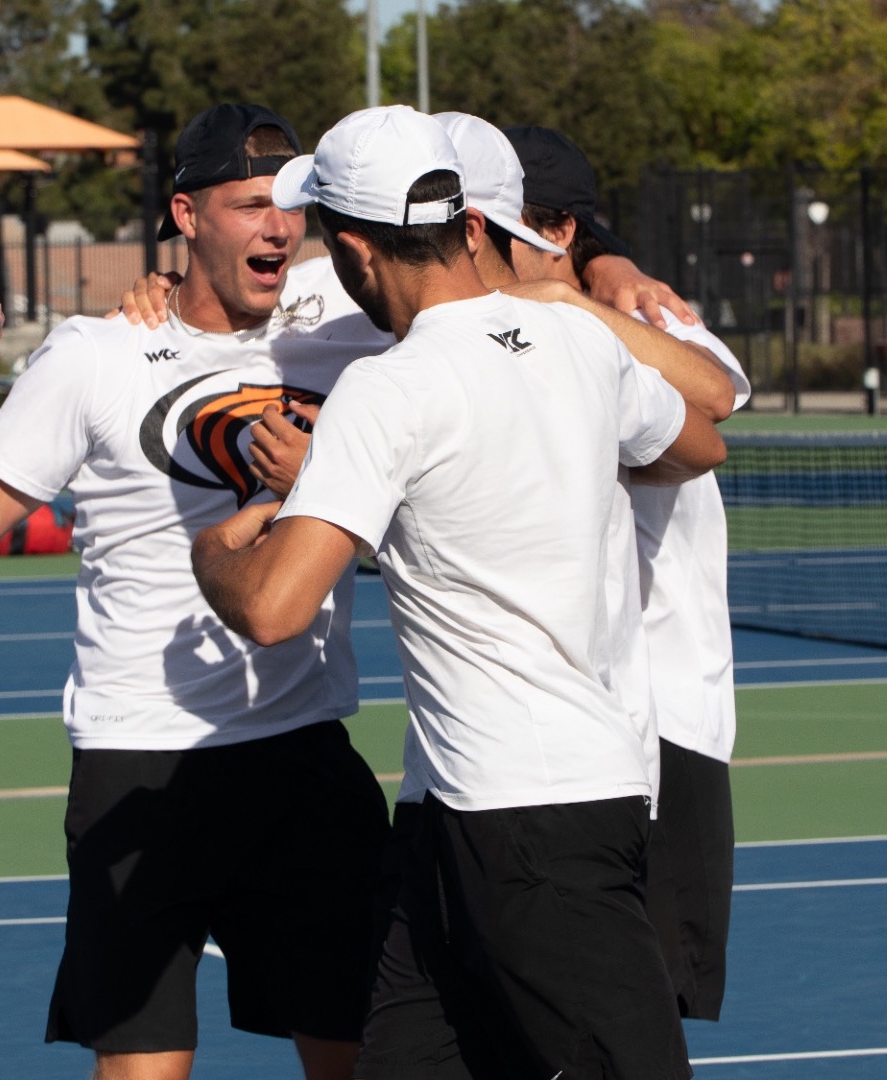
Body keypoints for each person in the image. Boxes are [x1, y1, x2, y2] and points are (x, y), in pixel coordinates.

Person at [191, 104, 727, 1080]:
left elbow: (272, 607)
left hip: (535, 823)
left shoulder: (387, 391)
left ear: (354, 249)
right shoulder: (584, 348)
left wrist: (215, 552)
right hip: (453, 817)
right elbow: (697, 445)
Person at [0, 103, 389, 1080]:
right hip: (140, 764)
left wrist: (608, 266)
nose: (277, 227)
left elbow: (500, 281)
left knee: (367, 1052)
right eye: (249, 204)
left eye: (290, 208)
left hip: (305, 761)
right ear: (185, 212)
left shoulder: (351, 327)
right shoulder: (96, 355)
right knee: (143, 1066)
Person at [506, 123, 752, 1024]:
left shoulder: (646, 314)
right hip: (548, 729)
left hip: (668, 726)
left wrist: (593, 291)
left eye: (496, 222)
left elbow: (715, 398)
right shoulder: (482, 330)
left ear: (558, 230)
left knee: (647, 1018)